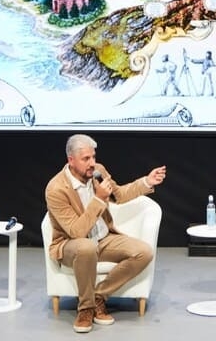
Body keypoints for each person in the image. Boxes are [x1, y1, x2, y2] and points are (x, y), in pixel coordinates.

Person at [45, 133, 167, 333]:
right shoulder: (56, 189)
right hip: (71, 245)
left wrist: (147, 181)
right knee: (86, 247)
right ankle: (85, 309)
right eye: (86, 159)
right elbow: (76, 231)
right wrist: (99, 199)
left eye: (93, 156)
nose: (92, 163)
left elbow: (119, 195)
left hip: (103, 238)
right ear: (71, 160)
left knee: (144, 252)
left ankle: (98, 297)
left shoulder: (97, 171)